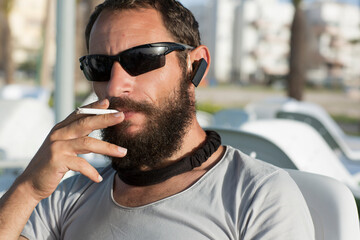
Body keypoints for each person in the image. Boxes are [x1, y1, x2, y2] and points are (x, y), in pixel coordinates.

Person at [0, 0, 314, 239]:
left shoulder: (257, 197)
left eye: (141, 59)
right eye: (99, 65)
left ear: (195, 65)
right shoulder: (71, 196)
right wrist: (27, 188)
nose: (115, 85)